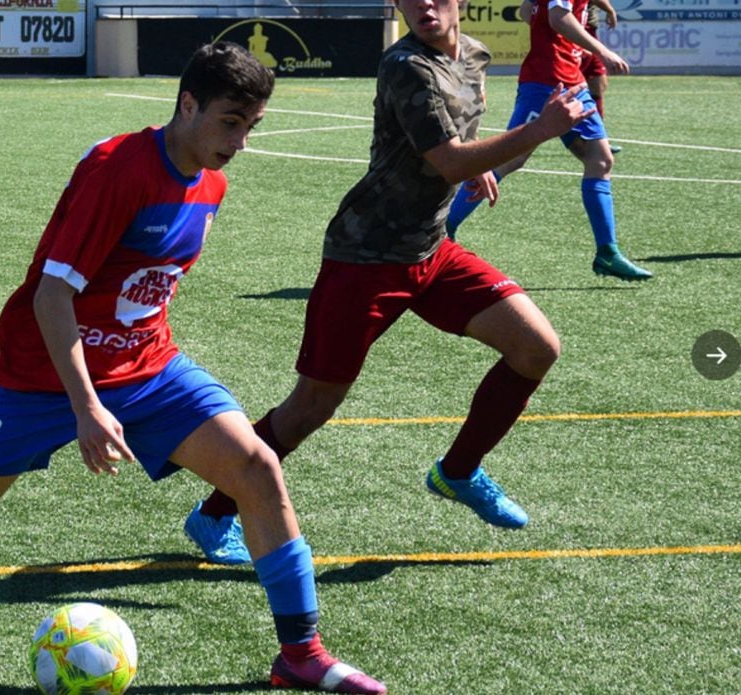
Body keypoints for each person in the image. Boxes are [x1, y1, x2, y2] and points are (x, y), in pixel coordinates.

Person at [0, 42, 387, 694]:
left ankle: (300, 652)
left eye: (252, 126)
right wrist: (86, 406)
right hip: (40, 375)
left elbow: (143, 287)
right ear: (188, 103)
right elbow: (55, 295)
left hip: (147, 368)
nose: (241, 142)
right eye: (230, 121)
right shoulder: (118, 168)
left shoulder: (213, 182)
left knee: (257, 466)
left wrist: (128, 372)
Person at [184, 0, 595, 566]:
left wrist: (479, 165)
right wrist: (537, 131)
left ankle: (458, 471)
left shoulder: (474, 57)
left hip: (431, 249)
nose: (423, 4)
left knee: (535, 347)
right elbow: (447, 158)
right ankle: (212, 515)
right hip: (367, 255)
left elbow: (454, 147)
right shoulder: (406, 65)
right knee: (311, 406)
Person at [444, 0, 652, 281]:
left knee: (600, 160)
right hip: (547, 80)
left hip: (572, 79)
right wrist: (601, 50)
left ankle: (607, 252)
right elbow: (556, 17)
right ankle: (443, 229)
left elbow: (526, 10)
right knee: (508, 158)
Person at [582, 0, 623, 154]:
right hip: (577, 31)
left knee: (597, 83)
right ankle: (523, 135)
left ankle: (598, 139)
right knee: (554, 87)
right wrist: (610, 9)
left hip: (588, 31)